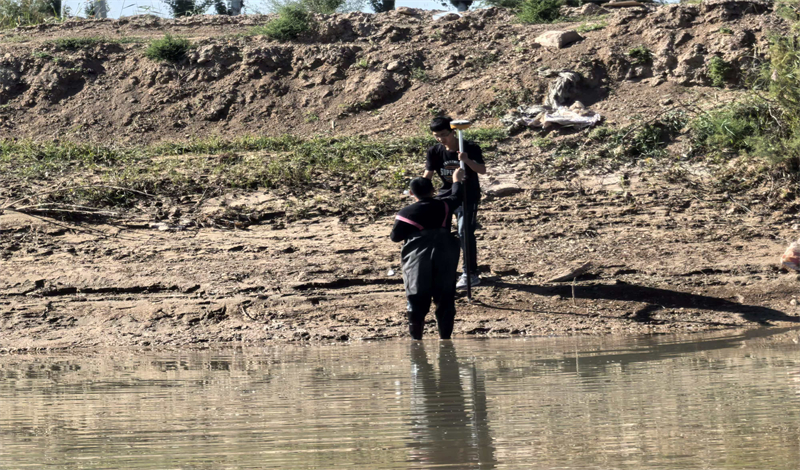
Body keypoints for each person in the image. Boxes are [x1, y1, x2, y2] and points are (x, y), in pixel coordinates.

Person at [390, 169, 465, 340]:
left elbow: (395, 237)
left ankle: (416, 344)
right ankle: (445, 340)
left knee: (416, 297)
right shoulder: (444, 205)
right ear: (433, 191)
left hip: (417, 256)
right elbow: (457, 196)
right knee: (445, 297)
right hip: (445, 253)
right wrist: (456, 180)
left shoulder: (405, 213)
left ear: (411, 193)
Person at [423, 116, 486, 290]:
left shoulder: (470, 148)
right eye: (436, 135)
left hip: (468, 196)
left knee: (464, 232)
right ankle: (440, 270)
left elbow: (482, 170)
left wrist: (467, 160)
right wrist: (420, 191)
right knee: (437, 233)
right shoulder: (434, 151)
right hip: (446, 196)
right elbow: (428, 175)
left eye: (444, 134)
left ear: (453, 132)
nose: (440, 139)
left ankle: (470, 273)